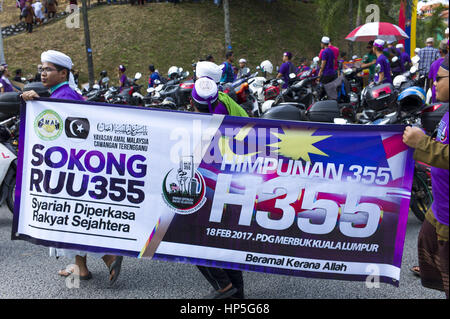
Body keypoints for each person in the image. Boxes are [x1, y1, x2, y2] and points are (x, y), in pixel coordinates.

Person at [21, 50, 124, 286]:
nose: (42, 73)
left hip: (67, 170)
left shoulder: (63, 96)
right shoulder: (60, 94)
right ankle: (81, 267)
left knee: (69, 220)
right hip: (68, 168)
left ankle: (109, 258)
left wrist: (40, 104)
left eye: (48, 69)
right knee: (71, 218)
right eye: (41, 68)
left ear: (63, 73)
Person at [191, 76, 247, 298]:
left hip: (211, 189)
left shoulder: (197, 129)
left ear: (192, 103)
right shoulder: (227, 113)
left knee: (190, 240)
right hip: (233, 186)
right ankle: (236, 294)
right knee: (225, 239)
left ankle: (223, 286)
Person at [403, 54, 449, 299]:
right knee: (429, 248)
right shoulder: (446, 110)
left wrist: (423, 145)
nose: (434, 85)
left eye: (438, 79)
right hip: (439, 209)